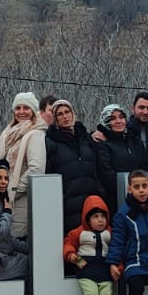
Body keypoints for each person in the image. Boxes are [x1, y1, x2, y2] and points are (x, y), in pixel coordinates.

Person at [44, 100, 108, 234]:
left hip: (91, 202)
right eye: (60, 114)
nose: (65, 116)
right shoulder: (50, 143)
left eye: (67, 112)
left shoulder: (86, 139)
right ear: (55, 119)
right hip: (67, 204)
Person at [0, 93, 48, 241]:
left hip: (20, 200)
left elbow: (36, 169)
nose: (21, 112)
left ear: (33, 110)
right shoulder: (9, 131)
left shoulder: (36, 133)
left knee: (16, 244)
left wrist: (12, 190)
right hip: (3, 197)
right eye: (18, 108)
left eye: (26, 108)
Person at [64, 194, 117, 295]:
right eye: (95, 216)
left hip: (105, 270)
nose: (100, 220)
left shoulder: (110, 233)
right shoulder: (79, 232)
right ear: (87, 218)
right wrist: (71, 255)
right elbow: (68, 243)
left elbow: (116, 249)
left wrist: (118, 266)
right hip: (86, 269)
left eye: (103, 216)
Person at [92, 104, 146, 184]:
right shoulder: (101, 142)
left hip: (137, 191)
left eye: (121, 117)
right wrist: (125, 187)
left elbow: (143, 166)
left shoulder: (134, 140)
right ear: (105, 121)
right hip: (113, 192)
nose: (118, 121)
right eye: (112, 118)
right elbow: (106, 173)